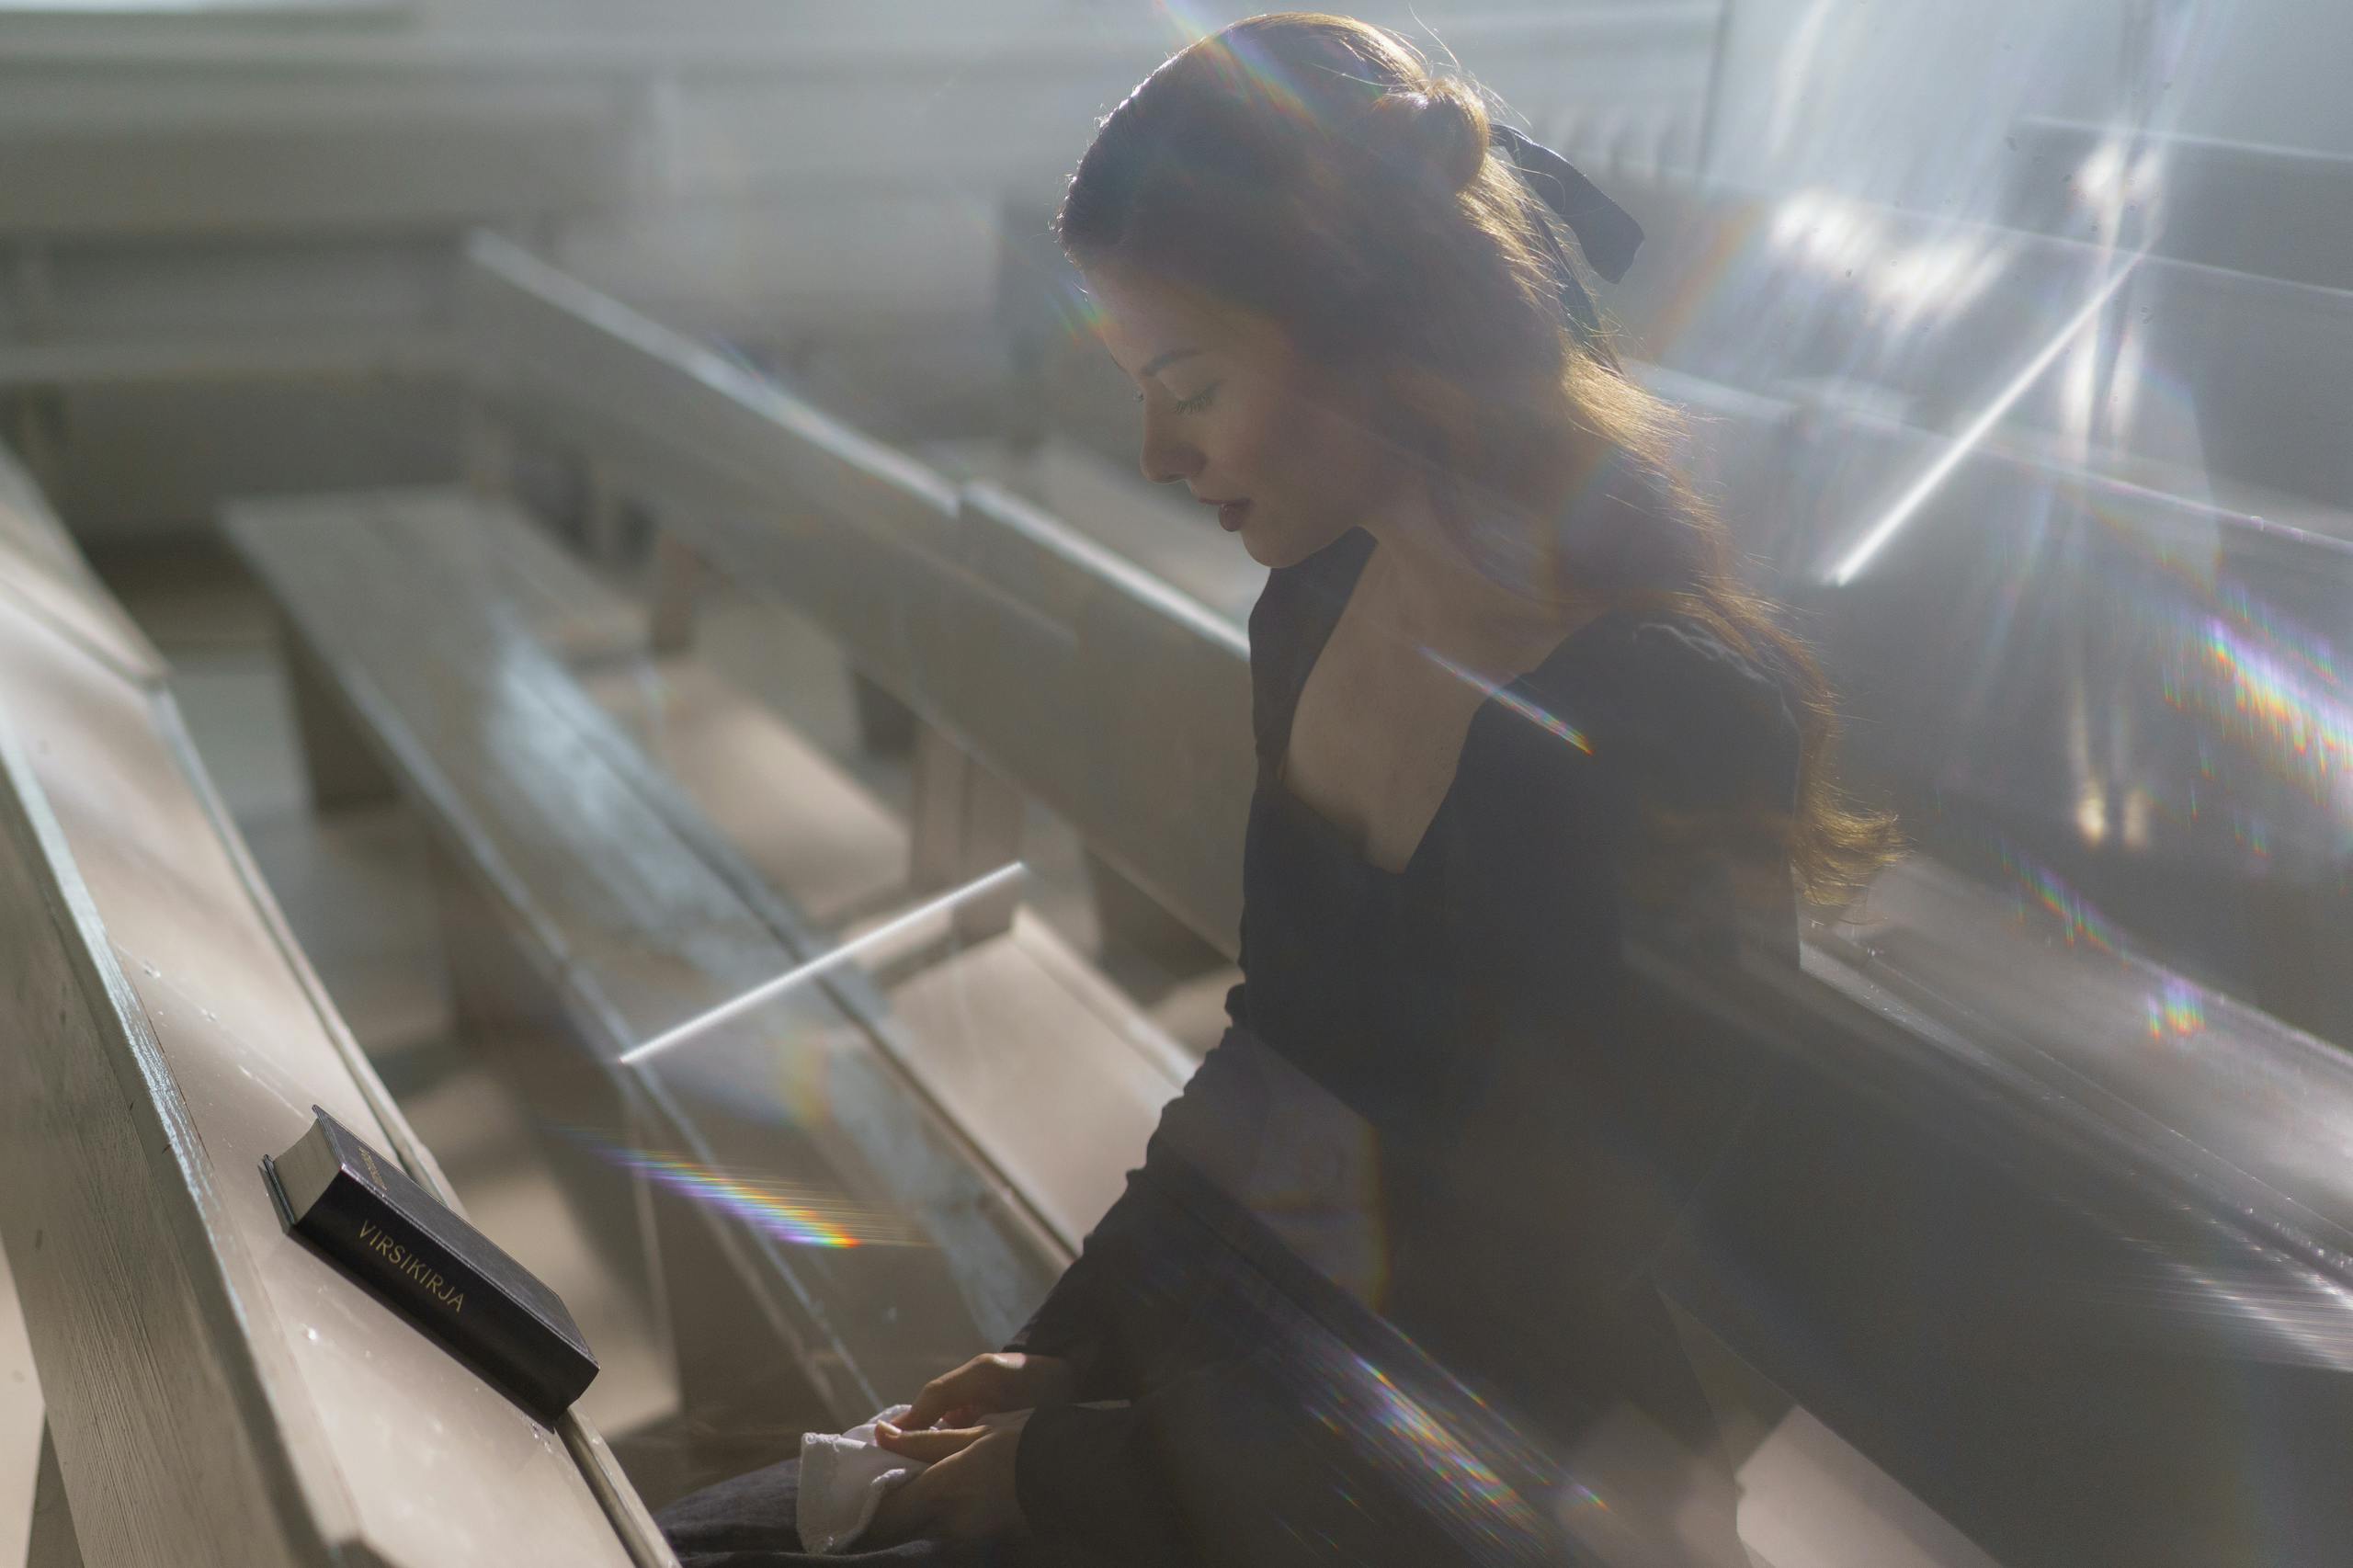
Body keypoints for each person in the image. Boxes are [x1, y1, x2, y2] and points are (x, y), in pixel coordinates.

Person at [658, 13, 1892, 1565]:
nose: (1160, 455)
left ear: (1370, 335)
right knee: (682, 1540)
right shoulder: (1316, 603)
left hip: (1494, 1494)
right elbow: (1277, 1065)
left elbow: (1517, 1305)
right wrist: (1074, 1345)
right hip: (1260, 1396)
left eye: (1192, 383)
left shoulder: (1662, 722)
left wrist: (1061, 1470)